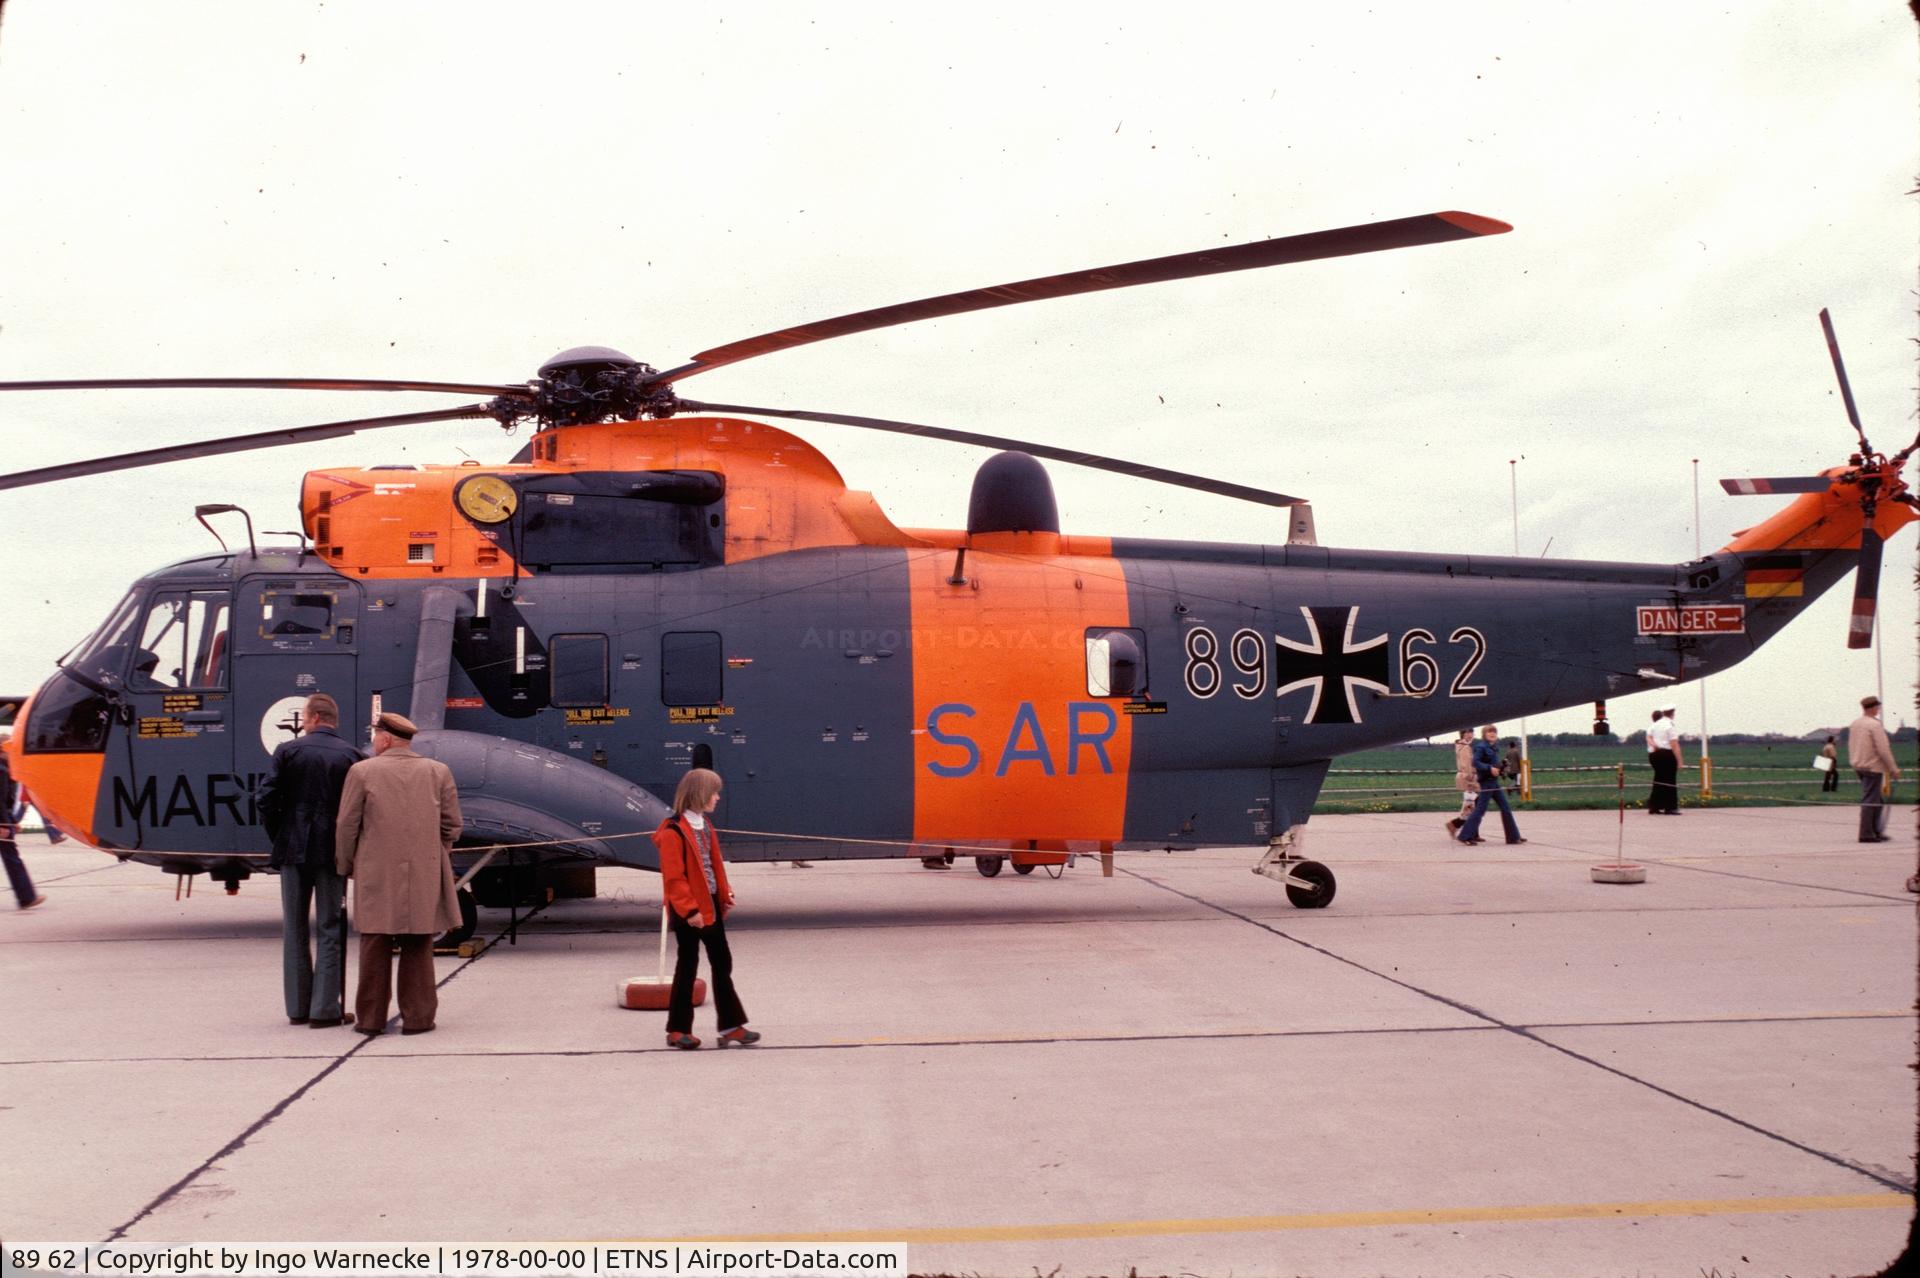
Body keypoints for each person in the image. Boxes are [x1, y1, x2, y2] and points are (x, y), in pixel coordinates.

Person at [335, 712, 462, 1035]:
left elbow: (347, 826)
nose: (374, 740)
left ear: (386, 738)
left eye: (376, 735)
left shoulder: (361, 772)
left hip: (375, 872)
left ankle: (371, 1020)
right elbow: (452, 825)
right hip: (424, 870)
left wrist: (347, 865)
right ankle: (419, 1019)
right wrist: (435, 855)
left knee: (374, 942)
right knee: (419, 943)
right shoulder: (438, 772)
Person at [259, 693, 362, 1027]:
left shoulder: (287, 751)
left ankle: (297, 1008)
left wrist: (282, 833)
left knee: (295, 926)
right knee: (331, 926)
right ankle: (325, 1010)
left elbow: (265, 798)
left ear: (315, 717)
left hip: (293, 847)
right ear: (331, 718)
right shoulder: (351, 755)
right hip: (331, 851)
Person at [654, 767, 757, 1050]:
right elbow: (674, 878)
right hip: (689, 909)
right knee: (687, 966)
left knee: (722, 963)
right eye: (714, 792)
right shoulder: (673, 830)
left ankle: (731, 1026)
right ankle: (677, 1030)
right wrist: (690, 912)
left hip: (709, 904)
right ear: (700, 794)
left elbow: (713, 866)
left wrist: (725, 893)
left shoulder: (704, 825)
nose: (718, 798)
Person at [1457, 724, 1525, 846]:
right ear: (1484, 734)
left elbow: (1494, 764)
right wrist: (1489, 768)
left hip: (1494, 782)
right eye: (1489, 732)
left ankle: (1513, 837)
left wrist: (1502, 767)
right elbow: (1475, 762)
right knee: (1480, 810)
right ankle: (1465, 836)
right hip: (1487, 783)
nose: (1492, 734)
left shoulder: (1493, 747)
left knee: (1505, 808)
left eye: (1494, 732)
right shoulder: (1481, 747)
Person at [0, 732, 46, 910]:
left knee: (12, 858)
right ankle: (26, 897)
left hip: (4, 818)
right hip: (1, 822)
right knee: (12, 858)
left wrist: (11, 820)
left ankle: (26, 896)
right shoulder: (2, 769)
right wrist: (4, 824)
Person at [1847, 695, 1900, 844]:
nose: (1878, 709)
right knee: (1871, 800)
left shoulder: (1855, 724)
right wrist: (1893, 768)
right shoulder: (1874, 725)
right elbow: (1883, 749)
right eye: (1877, 707)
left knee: (1876, 799)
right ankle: (1866, 833)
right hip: (1873, 767)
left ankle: (1876, 830)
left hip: (1859, 765)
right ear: (1873, 708)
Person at [1646, 705, 1684, 815]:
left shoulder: (1655, 725)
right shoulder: (1669, 725)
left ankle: (1655, 806)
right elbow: (1674, 744)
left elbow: (1649, 737)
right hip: (1666, 754)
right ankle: (1670, 807)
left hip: (1654, 754)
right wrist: (1679, 760)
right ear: (1672, 713)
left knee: (1659, 779)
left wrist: (1654, 745)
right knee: (1670, 780)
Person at [1446, 729, 1477, 837]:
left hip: (1467, 778)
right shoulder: (1465, 747)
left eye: (1471, 732)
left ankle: (1467, 830)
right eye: (1467, 733)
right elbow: (1466, 766)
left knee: (1472, 806)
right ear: (1462, 734)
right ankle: (1454, 825)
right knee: (1471, 806)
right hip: (1468, 779)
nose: (1469, 735)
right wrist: (1471, 780)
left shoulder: (1463, 746)